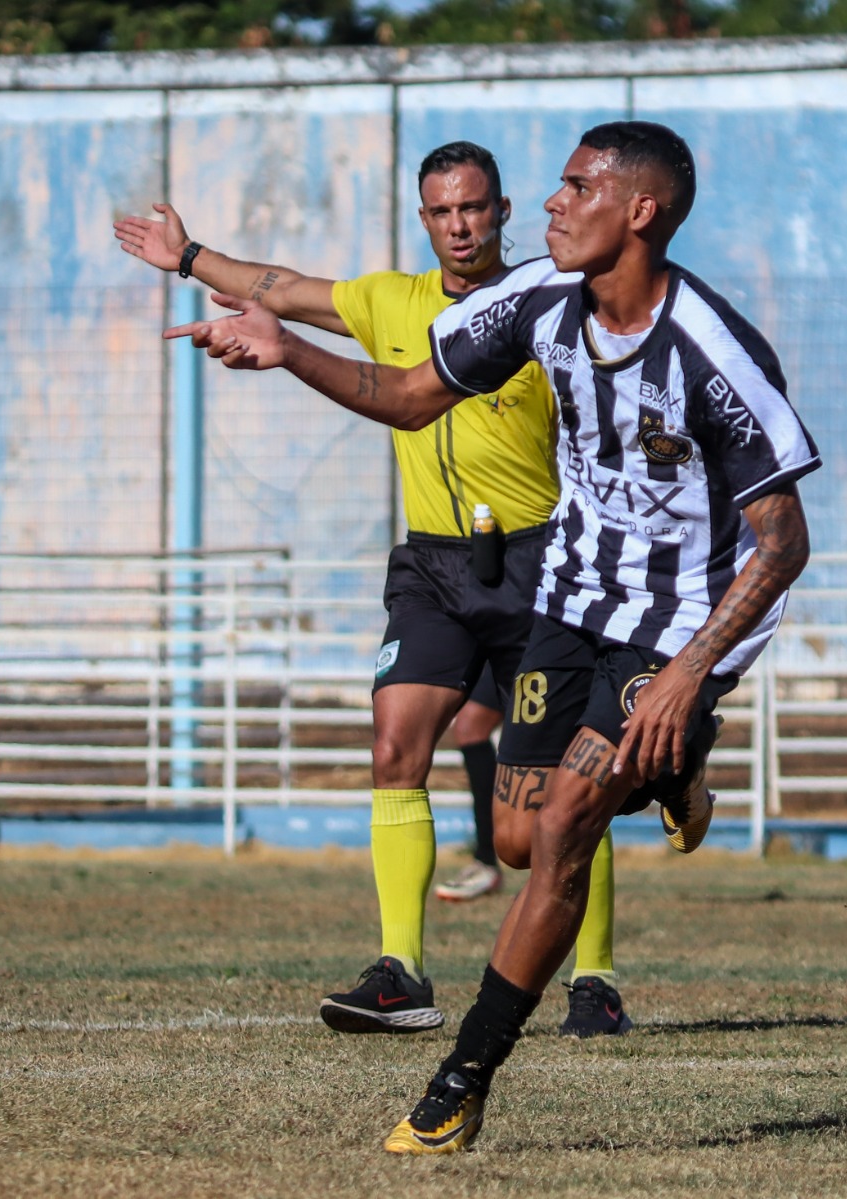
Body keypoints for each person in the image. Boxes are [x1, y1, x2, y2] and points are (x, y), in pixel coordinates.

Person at [163, 120, 818, 1154]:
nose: (549, 205)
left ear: (638, 211)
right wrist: (288, 350)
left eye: (573, 187)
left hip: (677, 622)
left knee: (560, 831)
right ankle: (673, 773)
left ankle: (460, 1078)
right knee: (514, 841)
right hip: (567, 597)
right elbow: (411, 397)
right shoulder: (535, 305)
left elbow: (781, 545)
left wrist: (687, 678)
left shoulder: (713, 351)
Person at [116, 141, 634, 1039]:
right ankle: (401, 971)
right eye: (442, 211)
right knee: (395, 744)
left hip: (540, 561)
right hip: (432, 565)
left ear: (504, 211)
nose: (460, 224)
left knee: (561, 784)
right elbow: (284, 287)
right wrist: (191, 256)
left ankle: (595, 979)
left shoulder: (547, 305)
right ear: (425, 218)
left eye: (474, 207)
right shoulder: (390, 300)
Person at [433, 667, 503, 902]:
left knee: (556, 732)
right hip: (516, 639)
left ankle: (562, 867)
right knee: (470, 726)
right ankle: (485, 861)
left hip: (549, 639)